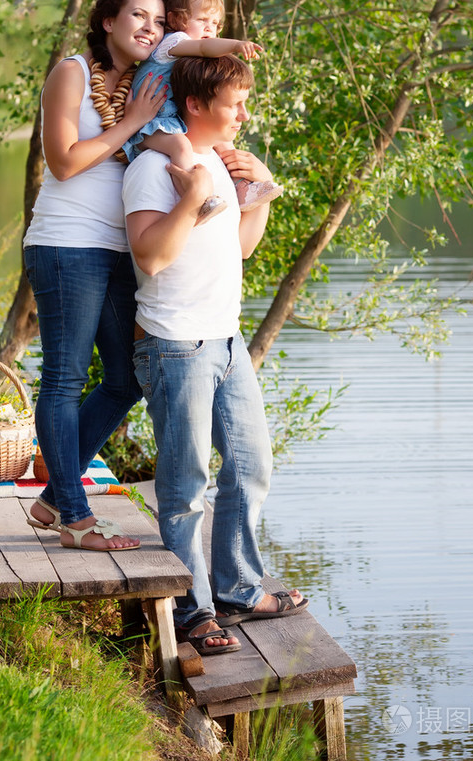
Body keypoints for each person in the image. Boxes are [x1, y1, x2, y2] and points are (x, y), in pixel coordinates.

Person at [123, 53, 307, 656]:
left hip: (226, 341)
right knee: (183, 486)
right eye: (234, 104)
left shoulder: (219, 166)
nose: (244, 115)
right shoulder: (154, 168)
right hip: (176, 343)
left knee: (252, 466)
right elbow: (150, 257)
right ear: (196, 105)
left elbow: (242, 247)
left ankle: (237, 588)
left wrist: (261, 192)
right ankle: (190, 607)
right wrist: (194, 194)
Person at [23, 0, 168, 552]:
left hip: (117, 251)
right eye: (138, 14)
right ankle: (76, 520)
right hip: (66, 245)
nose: (148, 28)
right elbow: (62, 163)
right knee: (64, 376)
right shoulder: (73, 73)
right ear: (108, 20)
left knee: (127, 377)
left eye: (157, 21)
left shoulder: (150, 86)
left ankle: (55, 496)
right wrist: (131, 123)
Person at [121, 0, 283, 221]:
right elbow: (207, 49)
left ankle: (242, 187)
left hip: (170, 118)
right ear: (176, 20)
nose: (210, 29)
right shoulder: (173, 42)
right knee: (181, 147)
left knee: (225, 144)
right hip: (150, 123)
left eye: (216, 24)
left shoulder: (187, 52)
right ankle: (194, 200)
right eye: (203, 21)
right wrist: (237, 45)